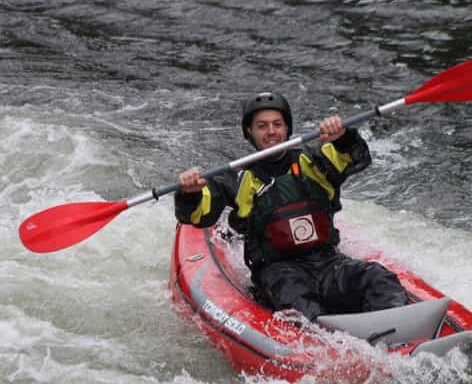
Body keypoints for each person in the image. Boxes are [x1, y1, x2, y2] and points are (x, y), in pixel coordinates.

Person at [174, 92, 408, 321]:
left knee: (378, 278)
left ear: (287, 128)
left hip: (328, 262)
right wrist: (188, 192)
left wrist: (343, 136)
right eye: (262, 126)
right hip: (278, 272)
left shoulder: (316, 158)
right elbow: (197, 216)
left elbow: (356, 157)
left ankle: (397, 329)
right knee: (303, 307)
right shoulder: (236, 177)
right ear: (249, 131)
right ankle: (334, 345)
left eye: (277, 124)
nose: (271, 131)